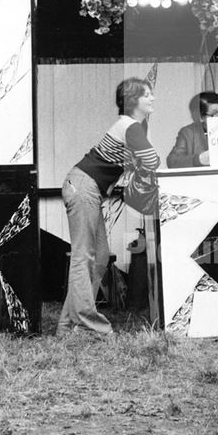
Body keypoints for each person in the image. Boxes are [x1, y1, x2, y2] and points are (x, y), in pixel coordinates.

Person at [57, 78, 158, 337]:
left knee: (99, 256)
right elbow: (152, 160)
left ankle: (68, 325)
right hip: (84, 187)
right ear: (134, 101)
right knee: (84, 256)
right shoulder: (131, 126)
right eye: (148, 95)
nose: (152, 99)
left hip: (86, 188)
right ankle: (88, 324)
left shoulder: (131, 126)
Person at [166, 91, 218, 168]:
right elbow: (172, 162)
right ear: (200, 117)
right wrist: (199, 159)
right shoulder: (188, 133)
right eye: (215, 114)